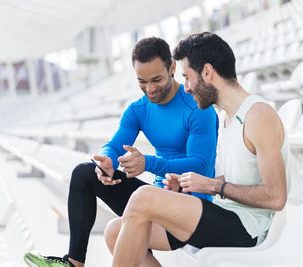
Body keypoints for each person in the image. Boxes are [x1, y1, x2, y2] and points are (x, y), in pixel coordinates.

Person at [23, 37, 219, 267]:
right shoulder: (138, 110)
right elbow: (114, 146)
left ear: (173, 67)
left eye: (156, 79)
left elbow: (200, 164)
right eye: (142, 81)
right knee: (85, 173)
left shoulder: (197, 107)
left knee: (116, 234)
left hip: (190, 206)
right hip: (155, 198)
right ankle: (74, 263)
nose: (150, 89)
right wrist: (105, 161)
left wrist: (148, 163)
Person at [108, 32, 290, 267]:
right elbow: (244, 179)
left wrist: (213, 185)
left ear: (207, 72)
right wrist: (193, 183)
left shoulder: (258, 115)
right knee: (115, 231)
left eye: (187, 77)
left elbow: (276, 197)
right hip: (224, 212)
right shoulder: (229, 117)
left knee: (143, 197)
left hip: (246, 228)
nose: (185, 88)